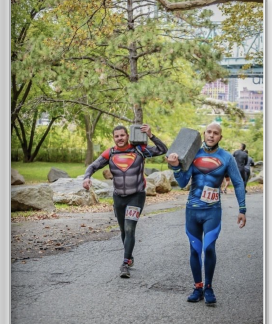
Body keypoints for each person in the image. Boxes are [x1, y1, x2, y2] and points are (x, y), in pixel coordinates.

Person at [166, 122, 246, 305]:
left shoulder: (226, 157)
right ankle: (198, 287)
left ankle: (208, 287)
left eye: (215, 133)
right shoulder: (193, 155)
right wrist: (176, 167)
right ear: (204, 134)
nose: (211, 135)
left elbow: (239, 183)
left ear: (220, 137)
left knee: (209, 248)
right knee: (195, 249)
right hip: (192, 210)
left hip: (212, 211)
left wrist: (242, 209)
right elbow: (182, 182)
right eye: (209, 132)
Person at [82, 124, 168, 278]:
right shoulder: (111, 152)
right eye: (117, 136)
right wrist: (86, 177)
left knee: (129, 228)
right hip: (118, 197)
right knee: (123, 230)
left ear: (127, 136)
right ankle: (129, 257)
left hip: (136, 195)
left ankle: (125, 262)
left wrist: (151, 135)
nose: (120, 138)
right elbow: (93, 165)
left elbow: (163, 149)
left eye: (122, 135)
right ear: (113, 138)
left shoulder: (139, 150)